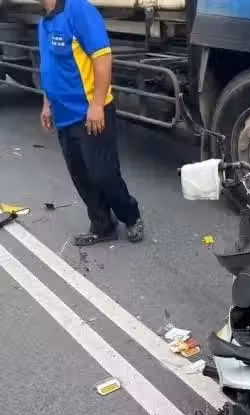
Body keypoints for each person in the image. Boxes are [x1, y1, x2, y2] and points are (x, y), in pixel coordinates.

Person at [38, 0, 144, 246]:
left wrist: (97, 106)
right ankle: (102, 225)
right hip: (63, 115)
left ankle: (131, 216)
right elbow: (49, 66)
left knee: (103, 174)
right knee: (81, 176)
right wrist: (47, 103)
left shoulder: (80, 11)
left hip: (90, 112)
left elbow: (102, 59)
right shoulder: (45, 21)